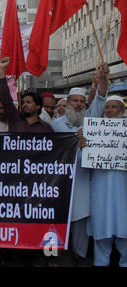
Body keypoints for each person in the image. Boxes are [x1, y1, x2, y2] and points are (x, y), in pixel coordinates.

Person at [50, 62, 108, 265]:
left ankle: (80, 255)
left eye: (82, 101)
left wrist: (102, 78)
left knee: (81, 220)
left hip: (83, 179)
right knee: (56, 218)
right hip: (59, 181)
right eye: (75, 101)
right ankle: (53, 255)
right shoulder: (55, 125)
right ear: (67, 102)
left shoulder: (89, 120)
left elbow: (100, 99)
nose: (78, 104)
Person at [85, 95, 126, 267]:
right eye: (107, 107)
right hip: (99, 191)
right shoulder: (93, 132)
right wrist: (83, 145)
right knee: (101, 238)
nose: (109, 110)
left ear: (122, 111)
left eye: (114, 107)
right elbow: (83, 161)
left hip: (123, 193)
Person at [0, 57, 53, 133]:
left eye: (28, 102)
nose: (24, 105)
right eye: (23, 102)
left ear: (38, 106)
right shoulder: (15, 120)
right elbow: (4, 97)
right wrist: (2, 70)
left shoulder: (46, 128)